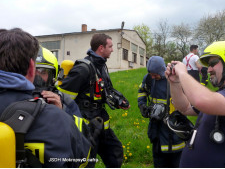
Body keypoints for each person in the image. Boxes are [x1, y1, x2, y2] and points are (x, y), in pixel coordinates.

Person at [0, 28, 92, 167]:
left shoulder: (64, 101)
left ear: (53, 75)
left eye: (43, 72)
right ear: (31, 68)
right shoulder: (55, 116)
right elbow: (83, 159)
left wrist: (64, 111)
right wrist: (60, 118)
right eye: (36, 70)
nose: (37, 77)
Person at [58, 33, 130, 168]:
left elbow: (107, 89)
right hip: (86, 126)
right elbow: (63, 98)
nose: (113, 50)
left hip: (101, 121)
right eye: (110, 46)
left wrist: (119, 100)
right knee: (88, 162)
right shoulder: (83, 69)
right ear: (101, 48)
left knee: (115, 152)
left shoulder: (101, 66)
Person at [138, 56, 185, 167]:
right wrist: (142, 105)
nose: (153, 77)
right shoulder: (148, 78)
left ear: (162, 70)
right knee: (158, 158)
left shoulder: (173, 79)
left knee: (177, 160)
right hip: (156, 126)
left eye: (155, 74)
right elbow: (142, 91)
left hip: (173, 126)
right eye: (151, 74)